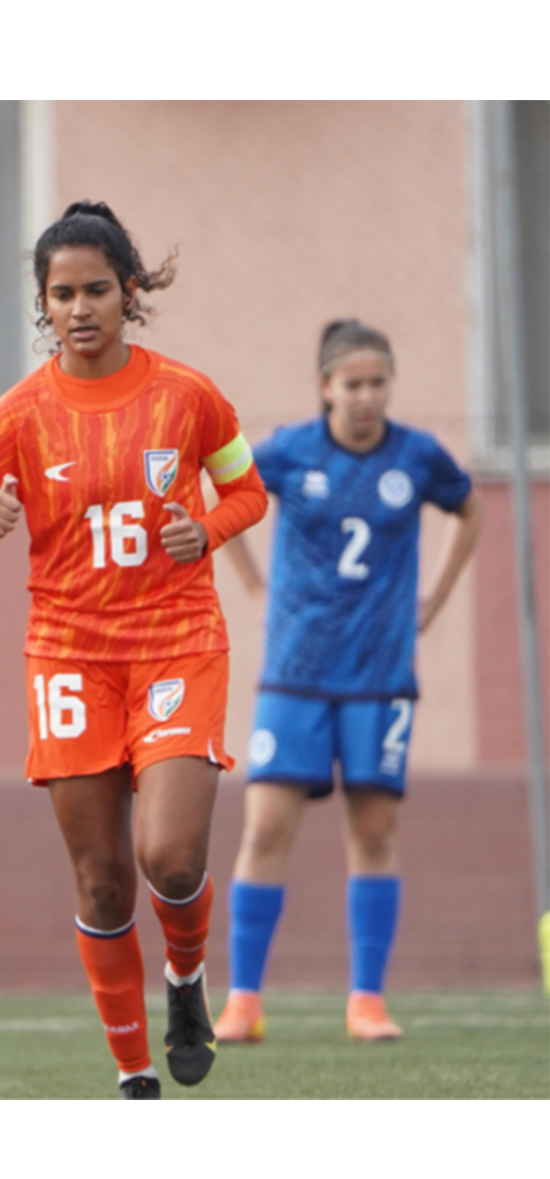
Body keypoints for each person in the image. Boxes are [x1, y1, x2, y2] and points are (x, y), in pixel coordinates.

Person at [0, 201, 268, 1099]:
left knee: (170, 856)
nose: (79, 308)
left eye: (96, 290)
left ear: (129, 293)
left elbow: (249, 493)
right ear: (42, 306)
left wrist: (203, 529)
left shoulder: (188, 396)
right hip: (69, 656)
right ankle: (134, 1078)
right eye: (61, 294)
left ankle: (187, 979)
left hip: (176, 644)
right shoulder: (17, 414)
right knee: (102, 884)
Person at [213, 319, 483, 1044]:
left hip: (380, 676)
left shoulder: (418, 456)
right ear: (325, 386)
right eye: (352, 383)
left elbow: (469, 507)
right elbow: (228, 489)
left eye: (378, 383)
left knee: (373, 829)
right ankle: (243, 1001)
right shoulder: (289, 451)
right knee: (266, 825)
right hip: (295, 673)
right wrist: (249, 579)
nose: (366, 397)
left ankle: (367, 1000)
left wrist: (436, 597)